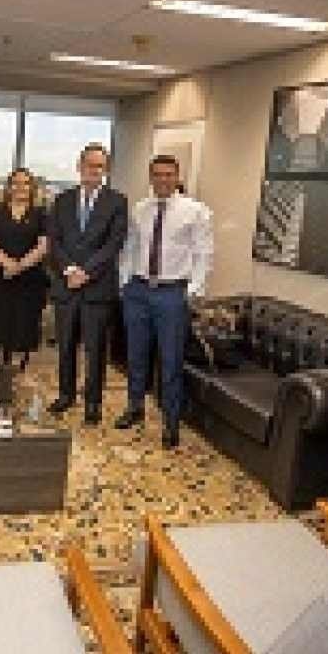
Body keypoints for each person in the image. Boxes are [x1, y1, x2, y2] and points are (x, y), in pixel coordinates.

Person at [115, 155, 213, 448]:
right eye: (157, 174)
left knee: (170, 360)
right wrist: (125, 281)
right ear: (151, 177)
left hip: (172, 293)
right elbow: (130, 247)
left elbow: (204, 254)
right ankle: (135, 407)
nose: (163, 180)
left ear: (177, 176)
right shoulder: (140, 209)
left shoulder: (196, 211)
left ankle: (171, 422)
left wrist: (192, 291)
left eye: (168, 174)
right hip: (138, 290)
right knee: (135, 355)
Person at [45, 143, 127, 426]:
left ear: (106, 170)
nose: (94, 170)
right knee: (66, 345)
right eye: (90, 165)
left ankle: (93, 403)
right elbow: (54, 241)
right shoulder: (62, 200)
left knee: (95, 350)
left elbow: (114, 243)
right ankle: (66, 395)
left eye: (100, 166)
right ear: (79, 166)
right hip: (66, 286)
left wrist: (86, 271)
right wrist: (69, 269)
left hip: (98, 288)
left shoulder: (117, 201)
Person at [0, 168, 48, 370]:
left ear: (32, 188)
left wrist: (20, 266)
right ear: (8, 187)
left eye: (25, 183)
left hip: (29, 278)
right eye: (16, 183)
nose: (20, 187)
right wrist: (8, 263)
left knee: (22, 325)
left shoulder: (41, 213)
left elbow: (44, 245)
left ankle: (16, 371)